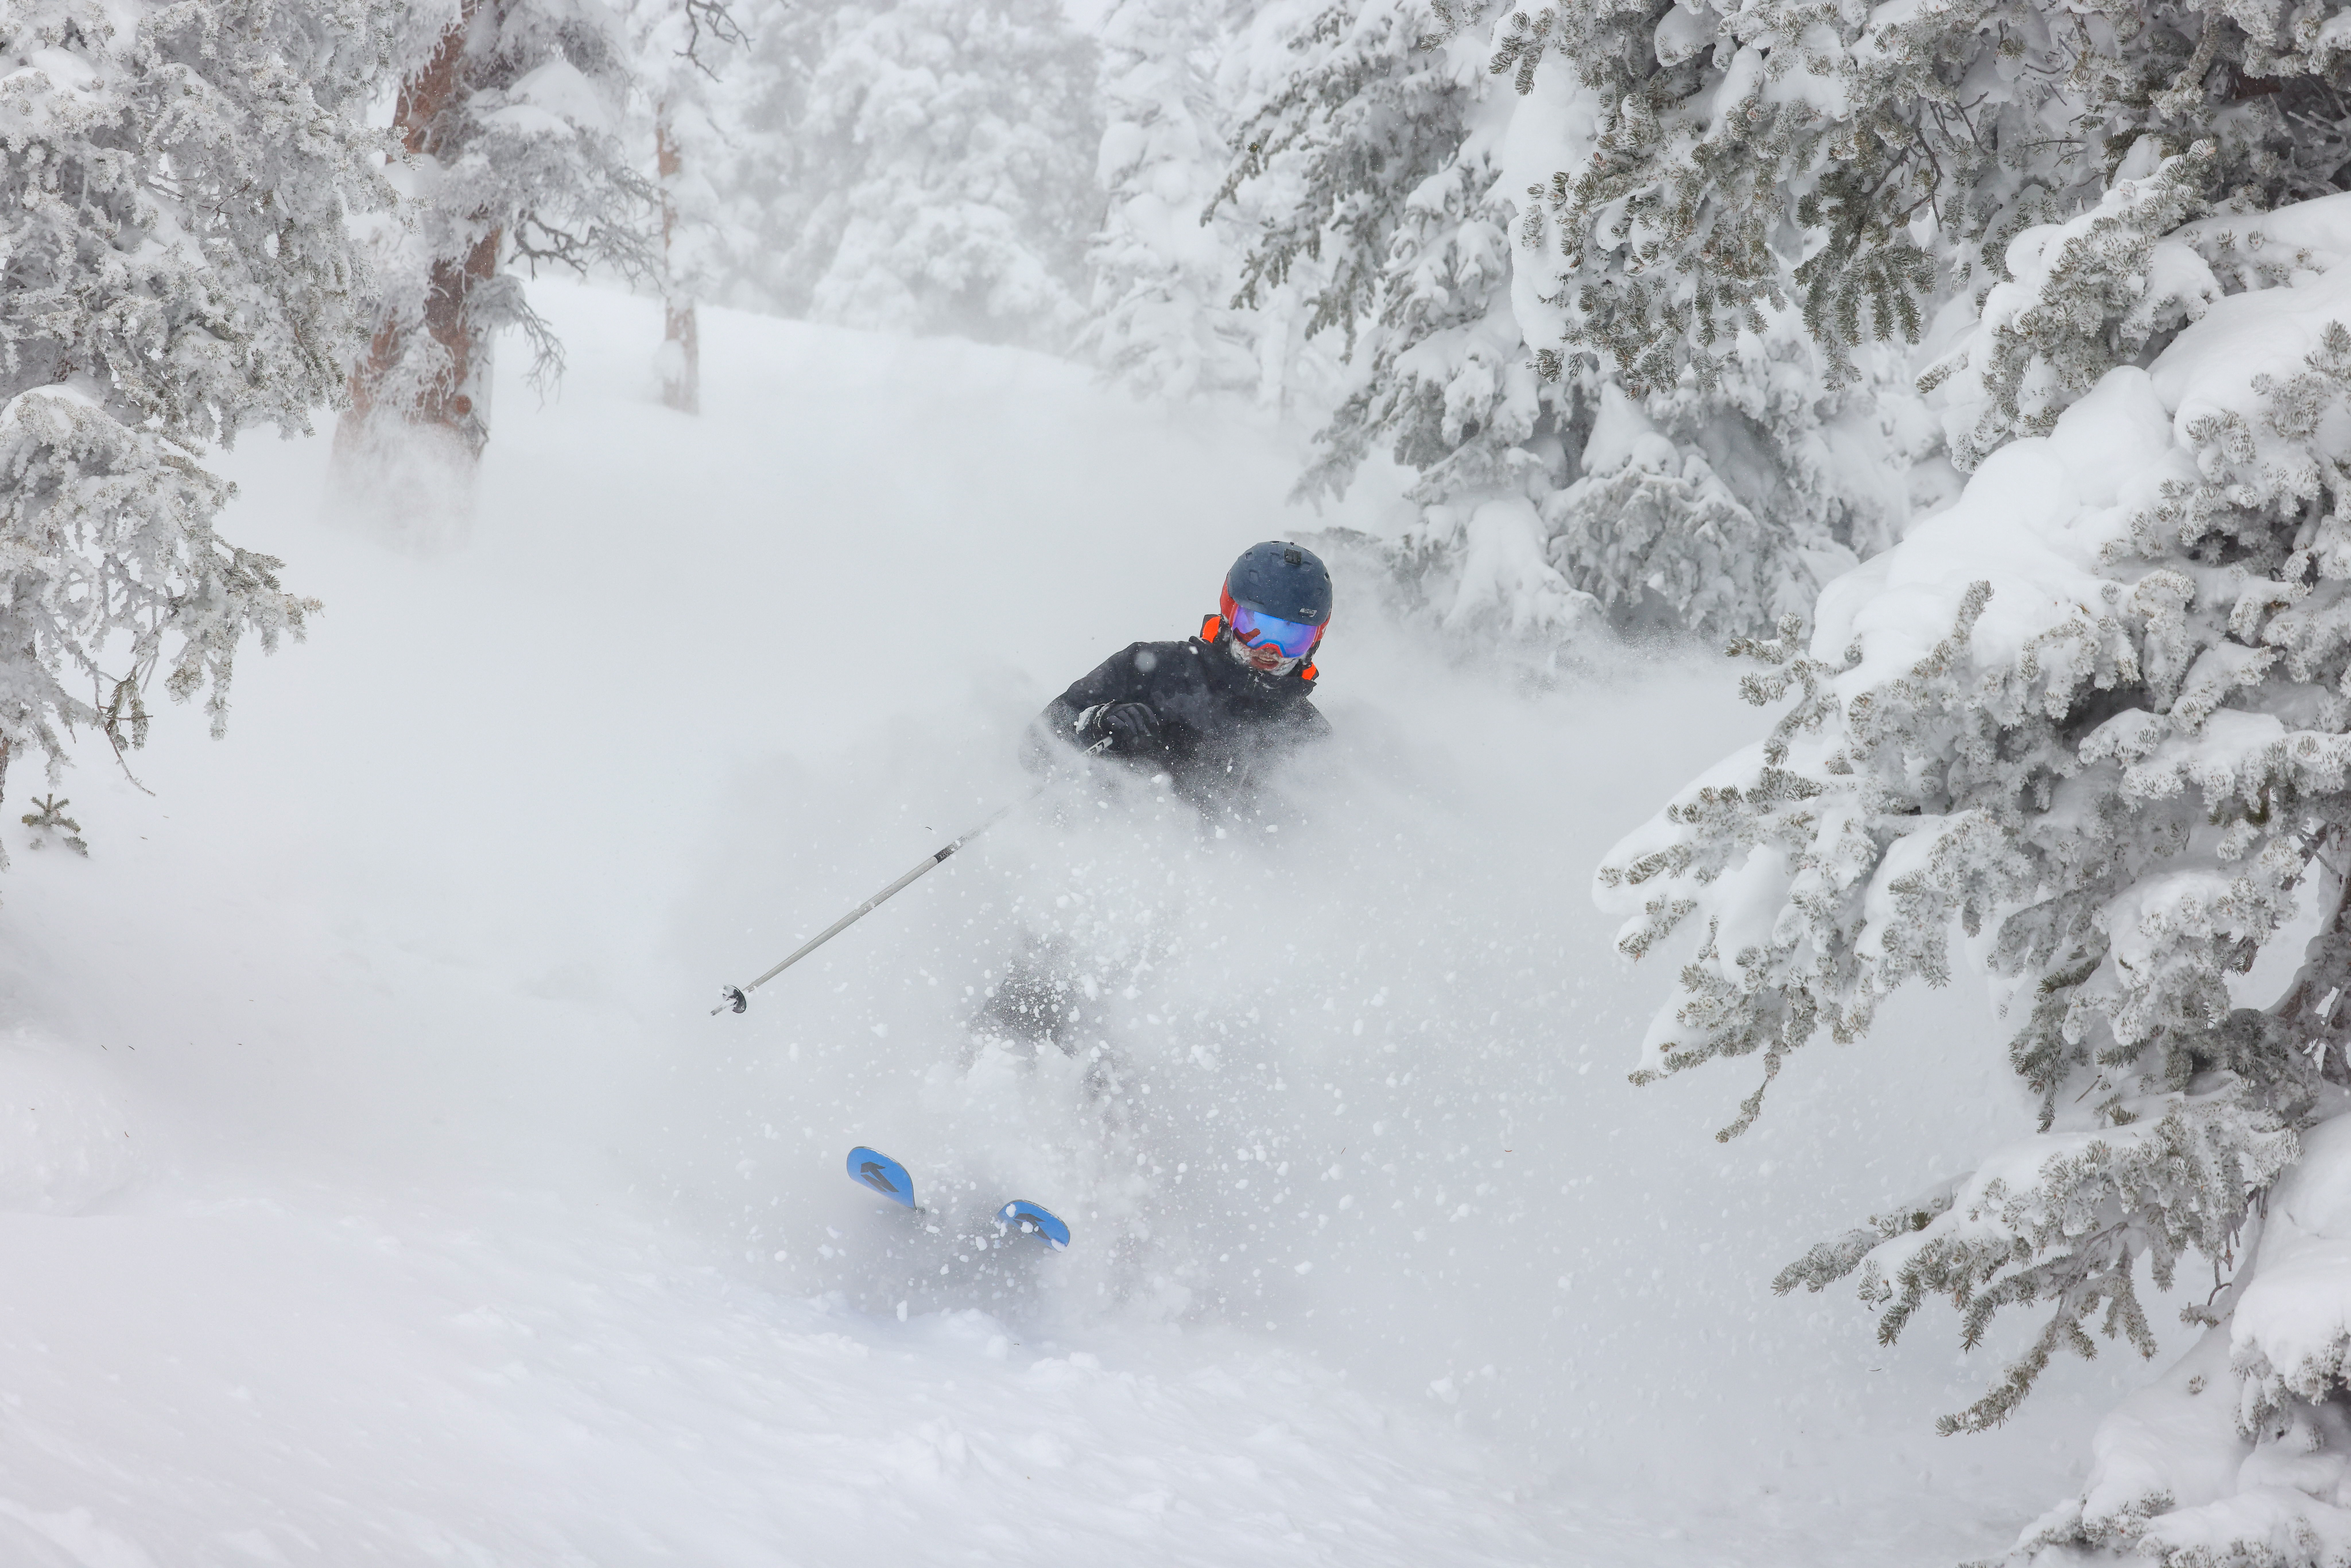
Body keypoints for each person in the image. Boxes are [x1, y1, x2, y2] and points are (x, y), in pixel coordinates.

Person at [1021, 540, 1334, 807]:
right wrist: (1094, 723)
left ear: (1315, 641)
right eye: (1255, 628)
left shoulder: (1306, 732)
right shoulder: (1152, 668)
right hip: (1108, 851)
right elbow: (1035, 749)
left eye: (1293, 637)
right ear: (1229, 614)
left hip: (1231, 872)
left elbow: (1322, 833)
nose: (1271, 649)